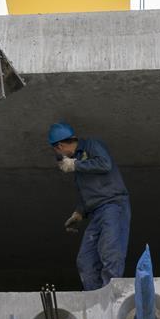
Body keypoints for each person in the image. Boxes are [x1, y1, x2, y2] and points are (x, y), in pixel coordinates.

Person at [48, 122, 131, 291]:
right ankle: (94, 297)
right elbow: (89, 191)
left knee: (109, 252)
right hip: (96, 212)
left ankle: (109, 295)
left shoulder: (92, 145)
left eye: (57, 151)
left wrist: (75, 165)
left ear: (60, 146)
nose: (59, 156)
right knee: (85, 260)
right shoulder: (77, 160)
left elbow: (105, 164)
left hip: (113, 206)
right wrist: (79, 212)